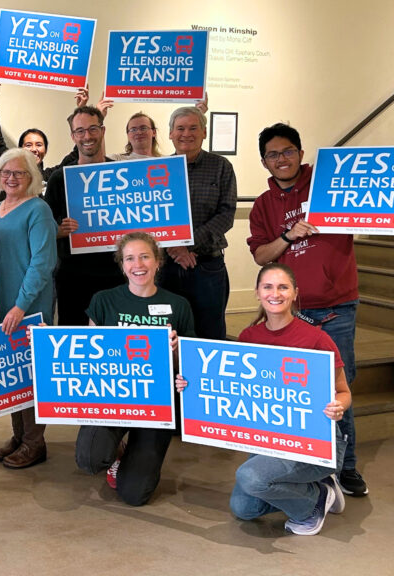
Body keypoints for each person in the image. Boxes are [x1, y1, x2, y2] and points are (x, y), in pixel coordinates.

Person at [177, 263, 351, 536]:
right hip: (269, 437)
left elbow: (343, 391)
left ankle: (311, 505)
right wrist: (191, 384)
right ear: (257, 293)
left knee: (251, 477)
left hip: (317, 441)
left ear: (295, 293)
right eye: (267, 287)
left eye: (283, 287)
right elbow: (231, 386)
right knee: (244, 509)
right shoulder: (249, 337)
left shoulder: (318, 339)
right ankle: (319, 489)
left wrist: (338, 406)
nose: (275, 293)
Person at [247, 122, 367, 497]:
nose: (281, 159)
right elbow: (261, 255)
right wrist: (287, 235)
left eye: (287, 151)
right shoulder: (264, 206)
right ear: (264, 161)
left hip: (337, 308)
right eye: (272, 154)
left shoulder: (328, 182)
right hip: (291, 316)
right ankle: (305, 458)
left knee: (337, 391)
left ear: (300, 153)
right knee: (291, 392)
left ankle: (345, 467)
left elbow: (370, 201)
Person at [76, 232, 195, 506]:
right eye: (129, 258)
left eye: (144, 256)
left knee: (134, 494)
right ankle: (116, 449)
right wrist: (49, 342)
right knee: (90, 458)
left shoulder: (179, 305)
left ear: (158, 262)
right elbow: (88, 357)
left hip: (158, 404)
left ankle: (133, 452)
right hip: (113, 397)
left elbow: (187, 371)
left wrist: (177, 351)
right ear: (121, 265)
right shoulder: (103, 301)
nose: (137, 264)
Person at [0, 149, 57, 469]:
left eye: (19, 173)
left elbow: (43, 263)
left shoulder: (38, 209)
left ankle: (34, 442)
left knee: (30, 374)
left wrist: (20, 306)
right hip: (0, 304)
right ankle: (19, 435)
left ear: (32, 177)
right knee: (10, 372)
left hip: (27, 304)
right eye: (5, 172)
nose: (11, 178)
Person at [44, 106, 126, 326]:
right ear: (73, 136)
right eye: (80, 131)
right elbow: (45, 231)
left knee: (116, 342)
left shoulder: (122, 174)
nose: (87, 136)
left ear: (103, 131)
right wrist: (59, 231)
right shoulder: (58, 179)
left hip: (116, 275)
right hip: (73, 278)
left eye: (92, 129)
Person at [160, 106, 236, 340]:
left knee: (210, 332)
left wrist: (187, 245)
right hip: (166, 267)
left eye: (193, 128)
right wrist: (175, 250)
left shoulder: (221, 166)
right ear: (170, 133)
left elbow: (226, 214)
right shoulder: (156, 169)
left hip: (207, 266)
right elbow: (152, 217)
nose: (186, 134)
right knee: (168, 332)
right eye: (180, 128)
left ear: (204, 132)